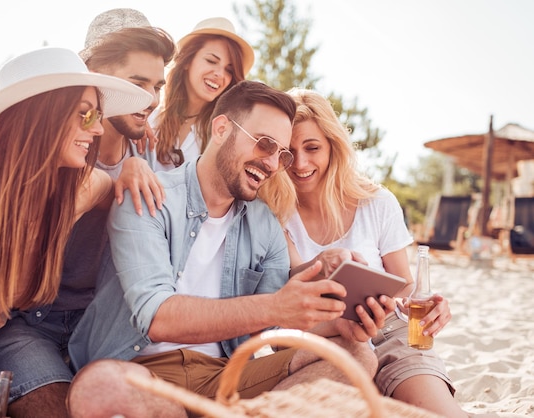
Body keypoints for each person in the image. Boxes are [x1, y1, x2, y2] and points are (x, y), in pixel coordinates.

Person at [67, 80, 389, 418]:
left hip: (225, 374)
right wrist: (276, 307)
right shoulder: (150, 195)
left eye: (282, 154)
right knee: (100, 384)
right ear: (221, 128)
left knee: (357, 354)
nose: (273, 164)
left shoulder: (264, 222)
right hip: (142, 369)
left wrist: (337, 326)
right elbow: (156, 316)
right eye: (264, 144)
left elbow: (276, 331)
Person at [0, 46, 152, 417]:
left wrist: (133, 167)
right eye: (86, 115)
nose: (99, 128)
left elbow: (110, 192)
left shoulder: (76, 192)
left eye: (99, 116)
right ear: (42, 115)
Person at [0, 9, 178, 418]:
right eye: (137, 84)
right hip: (24, 323)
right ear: (92, 77)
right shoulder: (48, 153)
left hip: (100, 329)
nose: (151, 100)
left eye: (157, 86)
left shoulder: (151, 157)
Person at [259, 88, 493, 417]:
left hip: (387, 329)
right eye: (289, 151)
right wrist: (323, 262)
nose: (300, 163)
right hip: (324, 338)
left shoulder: (377, 203)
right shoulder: (273, 214)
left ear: (332, 147)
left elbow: (404, 287)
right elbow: (295, 279)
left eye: (312, 148)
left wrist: (429, 307)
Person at [152, 17, 254, 171]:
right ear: (187, 60)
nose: (220, 74)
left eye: (229, 70)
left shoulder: (225, 133)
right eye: (211, 61)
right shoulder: (151, 117)